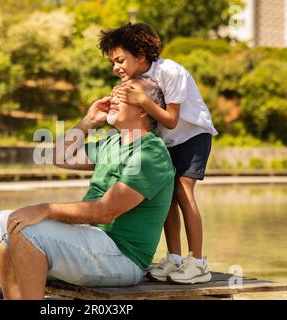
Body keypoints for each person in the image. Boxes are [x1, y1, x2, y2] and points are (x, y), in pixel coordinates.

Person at [0, 77, 175, 299]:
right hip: (89, 241)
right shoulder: (112, 143)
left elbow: (105, 212)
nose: (114, 98)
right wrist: (87, 122)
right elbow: (58, 157)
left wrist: (45, 209)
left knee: (27, 229)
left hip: (122, 257)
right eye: (115, 91)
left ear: (144, 110)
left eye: (125, 95)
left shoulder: (151, 153)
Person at [99, 23, 218, 284]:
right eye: (112, 62)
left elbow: (172, 120)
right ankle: (174, 257)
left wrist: (142, 101)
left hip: (191, 135)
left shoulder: (170, 71)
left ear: (140, 56)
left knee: (183, 192)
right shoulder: (132, 81)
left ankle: (197, 262)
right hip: (166, 140)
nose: (115, 68)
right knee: (166, 197)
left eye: (120, 60)